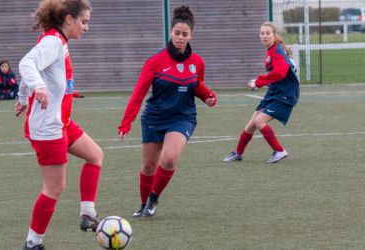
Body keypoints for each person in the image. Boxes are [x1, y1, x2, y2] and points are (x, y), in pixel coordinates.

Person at [15, 1, 103, 249]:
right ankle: (33, 243)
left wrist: (23, 96)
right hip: (48, 129)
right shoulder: (53, 42)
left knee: (95, 155)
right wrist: (38, 88)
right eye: (83, 22)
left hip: (61, 121)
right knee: (54, 188)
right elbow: (26, 64)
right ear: (68, 19)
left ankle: (87, 215)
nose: (86, 27)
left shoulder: (58, 41)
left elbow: (34, 68)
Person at [118, 5, 217, 218]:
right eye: (177, 33)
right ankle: (144, 204)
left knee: (169, 158)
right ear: (170, 33)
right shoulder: (155, 62)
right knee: (148, 167)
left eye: (185, 34)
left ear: (191, 35)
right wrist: (126, 122)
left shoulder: (197, 62)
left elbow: (197, 86)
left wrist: (208, 95)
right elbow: (138, 94)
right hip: (155, 117)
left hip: (183, 117)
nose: (180, 38)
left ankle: (153, 198)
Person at [223, 22, 299, 164]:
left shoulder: (277, 51)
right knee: (251, 124)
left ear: (274, 35)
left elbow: (280, 73)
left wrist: (258, 82)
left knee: (259, 121)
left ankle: (280, 151)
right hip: (275, 92)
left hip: (285, 95)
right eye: (262, 33)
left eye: (268, 33)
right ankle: (238, 154)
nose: (264, 36)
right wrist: (258, 82)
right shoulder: (272, 50)